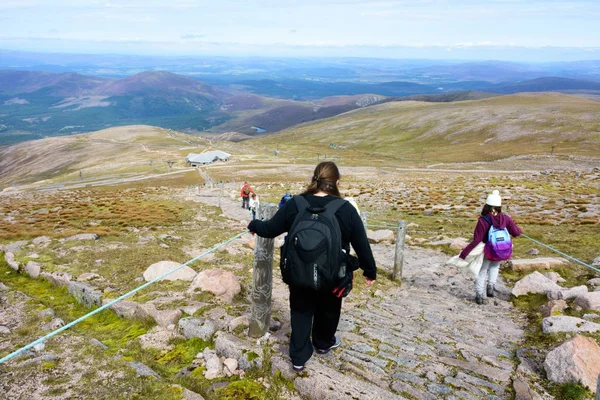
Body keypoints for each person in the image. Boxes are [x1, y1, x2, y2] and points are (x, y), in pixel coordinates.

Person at [247, 161, 377, 372]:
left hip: (299, 271)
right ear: (336, 181)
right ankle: (323, 343)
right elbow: (361, 244)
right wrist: (369, 271)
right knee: (330, 308)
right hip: (333, 273)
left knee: (300, 309)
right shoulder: (345, 209)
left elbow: (270, 229)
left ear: (313, 179)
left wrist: (254, 225)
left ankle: (298, 357)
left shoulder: (296, 203)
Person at [460, 190, 522, 305]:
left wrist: (464, 253)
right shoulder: (506, 218)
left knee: (482, 271)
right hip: (501, 250)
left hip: (488, 250)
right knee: (495, 267)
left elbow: (477, 240)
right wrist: (520, 231)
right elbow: (516, 232)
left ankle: (479, 295)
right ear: (499, 206)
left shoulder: (483, 220)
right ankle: (490, 288)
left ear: (487, 205)